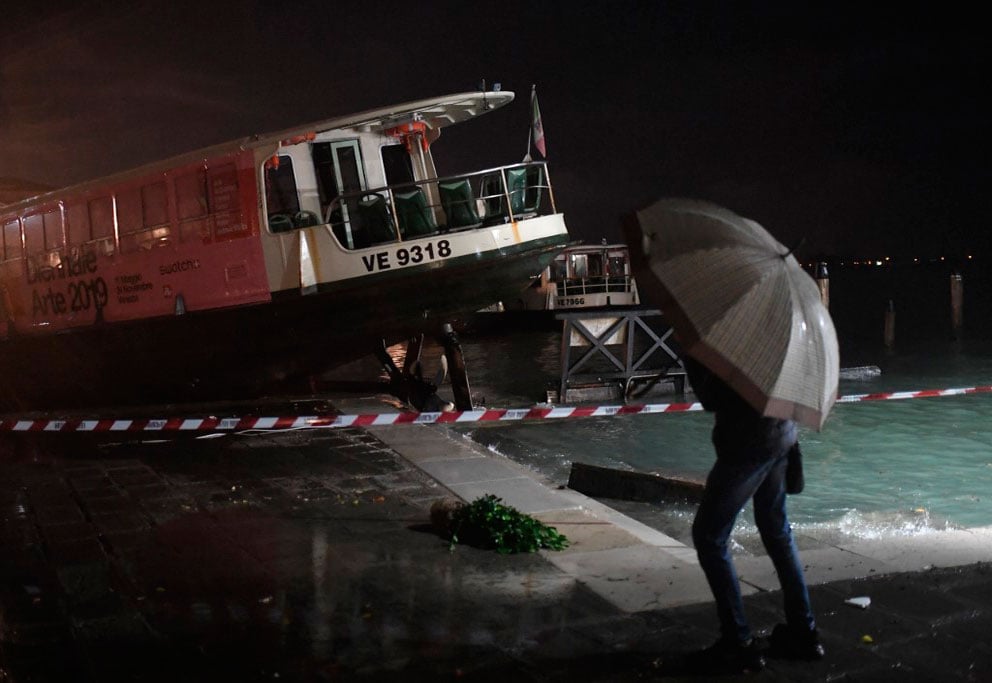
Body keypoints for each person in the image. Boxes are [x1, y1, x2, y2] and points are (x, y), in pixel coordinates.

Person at [682, 354, 824, 673]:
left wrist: (693, 357)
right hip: (782, 432)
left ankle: (738, 642)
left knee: (709, 537)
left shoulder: (738, 342)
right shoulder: (778, 336)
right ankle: (804, 632)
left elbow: (712, 397)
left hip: (750, 443)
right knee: (776, 530)